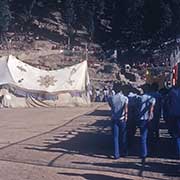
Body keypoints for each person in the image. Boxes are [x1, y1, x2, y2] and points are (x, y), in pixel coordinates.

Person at [137, 84, 156, 159]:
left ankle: (143, 153)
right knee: (151, 135)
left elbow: (137, 108)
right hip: (149, 119)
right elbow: (152, 107)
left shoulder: (139, 98)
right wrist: (150, 114)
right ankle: (152, 151)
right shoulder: (152, 98)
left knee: (143, 137)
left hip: (141, 119)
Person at [109, 90, 128, 159]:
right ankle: (124, 152)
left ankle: (116, 154)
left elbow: (110, 106)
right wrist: (126, 116)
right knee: (123, 136)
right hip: (122, 119)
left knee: (115, 137)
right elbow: (126, 108)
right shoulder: (125, 98)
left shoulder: (111, 98)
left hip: (114, 119)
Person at [168, 86, 180, 159]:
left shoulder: (172, 92)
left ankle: (177, 152)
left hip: (174, 114)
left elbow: (168, 103)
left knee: (176, 135)